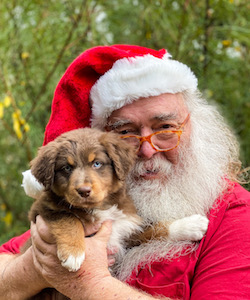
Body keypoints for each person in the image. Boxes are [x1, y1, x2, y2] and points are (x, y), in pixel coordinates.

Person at [0, 44, 249, 300]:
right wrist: (33, 269)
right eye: (125, 132)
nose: (147, 150)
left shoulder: (236, 218)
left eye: (165, 128)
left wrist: (90, 282)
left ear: (197, 127)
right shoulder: (96, 201)